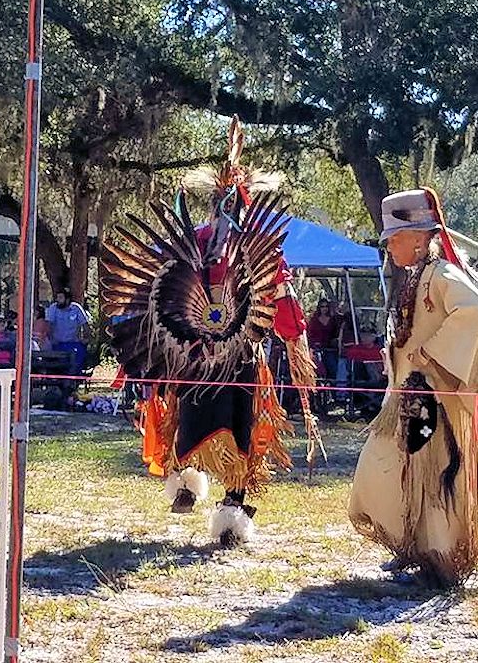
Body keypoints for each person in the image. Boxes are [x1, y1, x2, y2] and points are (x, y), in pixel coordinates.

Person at [103, 116, 321, 546]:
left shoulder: (207, 242)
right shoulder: (252, 248)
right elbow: (284, 305)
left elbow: (148, 293)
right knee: (231, 429)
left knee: (205, 421)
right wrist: (295, 343)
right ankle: (230, 507)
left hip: (199, 358)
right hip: (222, 358)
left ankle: (192, 484)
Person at [348, 188, 478, 587]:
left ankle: (438, 555)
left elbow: (476, 312)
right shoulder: (415, 278)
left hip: (433, 398)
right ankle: (414, 546)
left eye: (395, 239)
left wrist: (431, 356)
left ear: (420, 239)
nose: (390, 248)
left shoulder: (441, 275)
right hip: (410, 395)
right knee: (399, 465)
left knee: (434, 471)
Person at [47, 289, 90, 375]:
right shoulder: (53, 308)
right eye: (57, 297)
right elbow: (49, 325)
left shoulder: (76, 308)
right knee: (58, 362)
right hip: (57, 343)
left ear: (67, 299)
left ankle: (76, 376)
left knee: (79, 354)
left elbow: (85, 325)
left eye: (60, 297)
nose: (57, 300)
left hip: (73, 342)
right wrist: (51, 339)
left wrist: (86, 338)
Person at [307, 299, 341, 385]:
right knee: (318, 370)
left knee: (332, 369)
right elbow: (310, 334)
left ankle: (332, 390)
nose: (324, 308)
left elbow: (336, 334)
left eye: (326, 306)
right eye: (322, 306)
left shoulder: (333, 320)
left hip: (329, 349)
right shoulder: (314, 320)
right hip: (316, 349)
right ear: (319, 308)